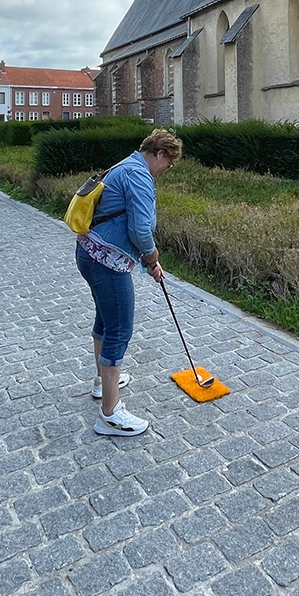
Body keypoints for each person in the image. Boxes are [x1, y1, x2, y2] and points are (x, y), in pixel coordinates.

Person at [76, 128, 182, 436]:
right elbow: (139, 228)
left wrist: (150, 259)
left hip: (90, 253)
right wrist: (152, 258)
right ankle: (110, 414)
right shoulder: (139, 176)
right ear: (161, 153)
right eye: (169, 163)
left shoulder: (126, 164)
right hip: (108, 260)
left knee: (105, 321)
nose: (167, 170)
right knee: (119, 329)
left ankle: (102, 381)